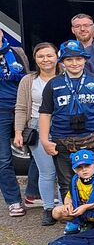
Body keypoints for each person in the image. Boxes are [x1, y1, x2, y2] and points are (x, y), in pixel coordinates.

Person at [39, 40, 94, 199]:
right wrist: (45, 140)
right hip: (62, 140)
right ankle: (71, 212)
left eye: (78, 59)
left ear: (85, 59)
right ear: (62, 62)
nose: (74, 63)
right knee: (66, 181)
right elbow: (45, 113)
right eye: (69, 59)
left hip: (92, 139)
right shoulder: (53, 84)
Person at [14, 42, 58, 224]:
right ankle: (49, 208)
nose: (45, 59)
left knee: (64, 172)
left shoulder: (65, 76)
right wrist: (18, 132)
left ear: (57, 57)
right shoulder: (28, 80)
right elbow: (21, 107)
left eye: (49, 55)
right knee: (47, 172)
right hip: (37, 128)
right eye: (41, 56)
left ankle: (65, 209)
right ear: (35, 59)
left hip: (63, 128)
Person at [52, 149, 94, 233]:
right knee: (56, 212)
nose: (84, 170)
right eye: (79, 167)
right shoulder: (75, 180)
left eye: (87, 165)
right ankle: (78, 223)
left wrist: (87, 207)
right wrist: (68, 204)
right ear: (74, 170)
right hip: (82, 208)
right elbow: (68, 197)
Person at [0, 30, 27, 217]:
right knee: (3, 159)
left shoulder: (17, 52)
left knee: (40, 150)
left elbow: (26, 78)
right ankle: (13, 200)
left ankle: (33, 192)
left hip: (21, 107)